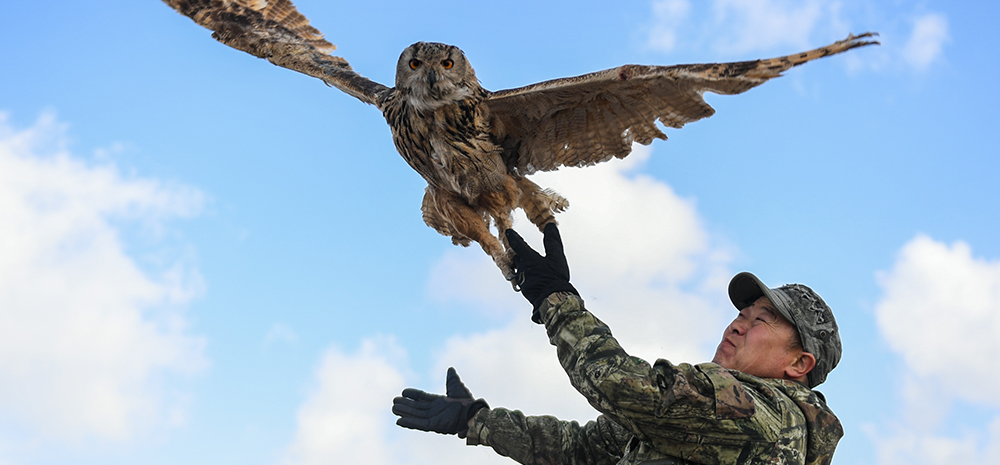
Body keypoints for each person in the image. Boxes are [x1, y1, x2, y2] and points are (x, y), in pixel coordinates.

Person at [392, 224, 843, 465]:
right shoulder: (701, 419)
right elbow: (581, 450)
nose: (739, 325)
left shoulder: (771, 419)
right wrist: (476, 420)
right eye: (742, 314)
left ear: (799, 364)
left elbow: (619, 385)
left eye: (761, 320)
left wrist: (555, 301)